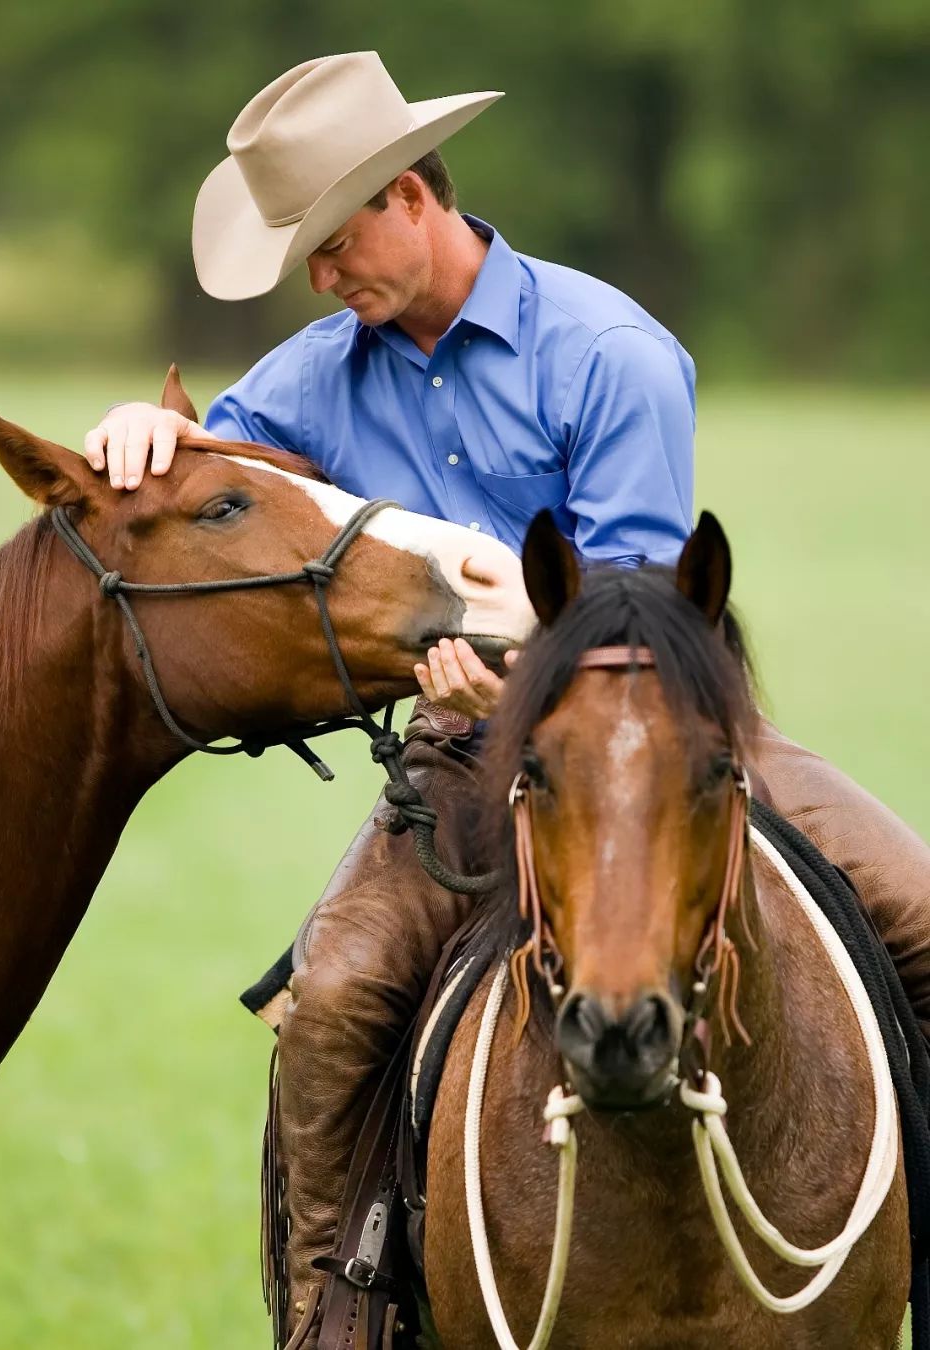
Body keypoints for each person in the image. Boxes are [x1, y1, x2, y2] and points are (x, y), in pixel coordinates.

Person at [85, 51, 930, 1349]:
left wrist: (515, 672)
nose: (322, 279)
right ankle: (332, 1312)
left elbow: (638, 611)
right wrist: (144, 439)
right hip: (459, 750)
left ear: (411, 196)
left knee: (920, 910)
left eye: (334, 243)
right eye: (306, 258)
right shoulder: (315, 376)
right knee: (334, 993)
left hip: (657, 734)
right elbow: (217, 484)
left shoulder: (609, 352)